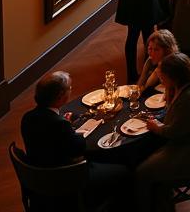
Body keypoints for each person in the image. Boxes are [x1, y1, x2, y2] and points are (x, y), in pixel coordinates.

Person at [20, 70, 130, 208]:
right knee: (124, 171)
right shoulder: (59, 124)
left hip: (38, 177)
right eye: (69, 88)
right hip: (66, 179)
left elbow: (49, 139)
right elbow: (80, 147)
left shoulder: (27, 118)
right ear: (60, 96)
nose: (71, 90)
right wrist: (72, 130)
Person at [136, 53, 190, 212]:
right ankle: (160, 200)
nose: (162, 81)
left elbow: (175, 132)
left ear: (174, 76)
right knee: (145, 153)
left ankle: (143, 205)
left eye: (163, 78)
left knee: (141, 172)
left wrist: (156, 126)